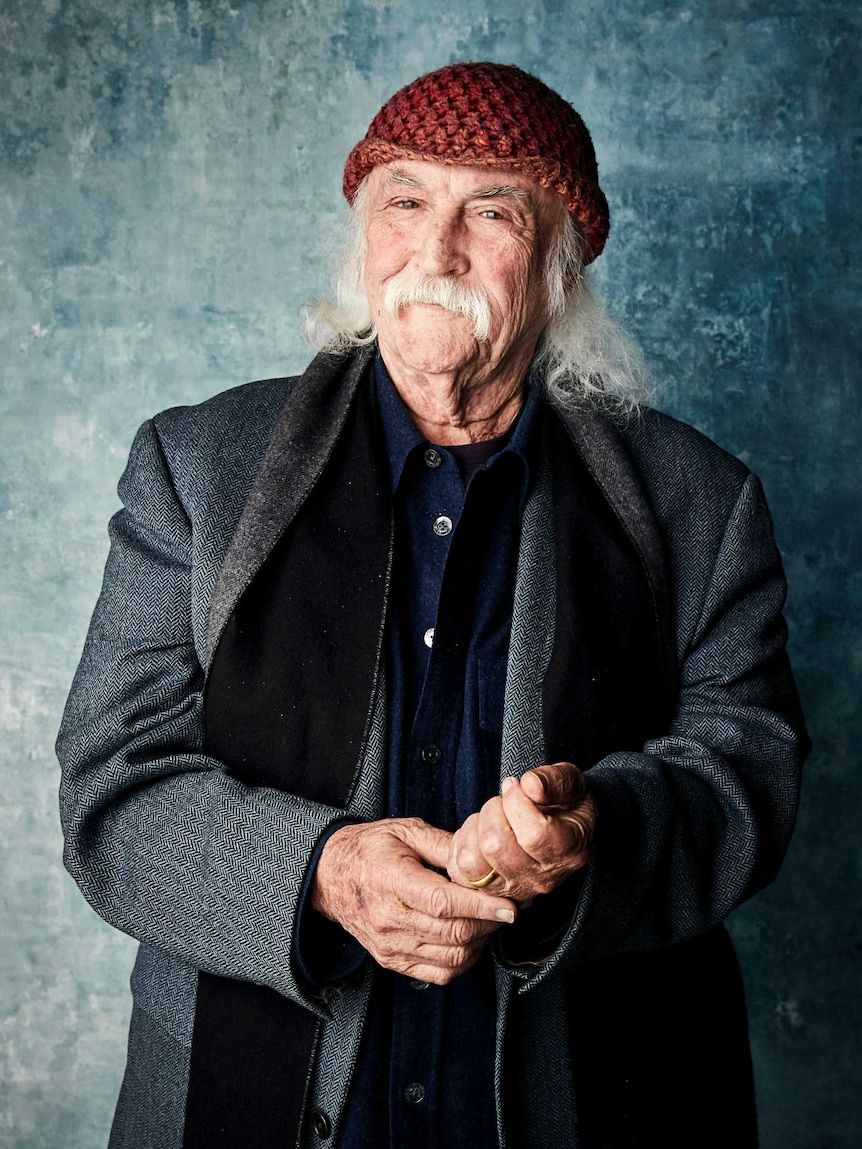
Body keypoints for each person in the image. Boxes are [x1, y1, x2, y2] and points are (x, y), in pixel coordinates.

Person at [58, 62, 808, 1149]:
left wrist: (596, 832)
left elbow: (749, 775)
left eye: (490, 211)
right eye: (405, 202)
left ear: (558, 262)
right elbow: (111, 790)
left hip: (600, 1100)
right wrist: (320, 872)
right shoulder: (196, 470)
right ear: (364, 235)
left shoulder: (703, 502)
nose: (436, 251)